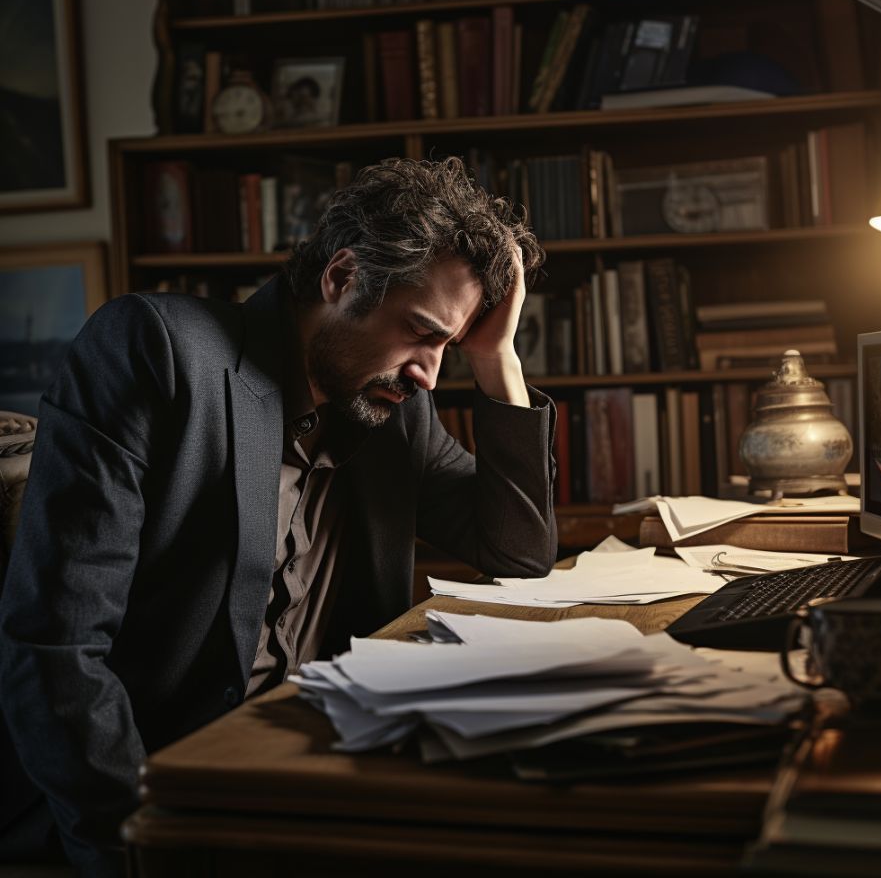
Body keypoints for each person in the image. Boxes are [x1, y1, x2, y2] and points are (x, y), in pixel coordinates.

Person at [0, 157, 557, 876]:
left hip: (318, 778)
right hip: (154, 799)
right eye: (420, 331)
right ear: (342, 277)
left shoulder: (398, 414)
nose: (428, 374)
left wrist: (499, 360)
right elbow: (54, 651)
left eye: (447, 345)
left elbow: (517, 553)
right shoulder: (158, 352)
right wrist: (141, 843)